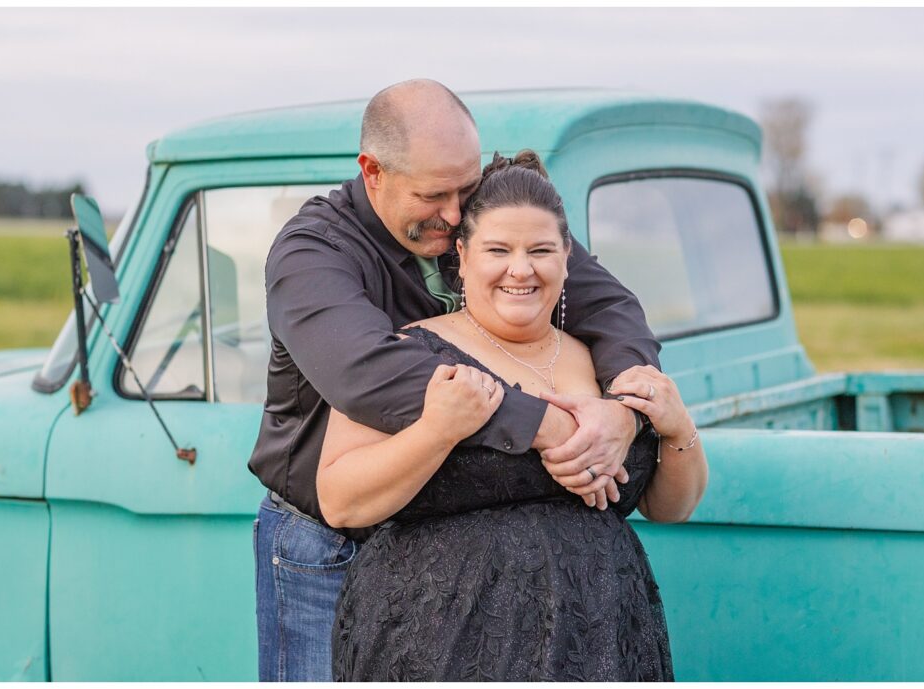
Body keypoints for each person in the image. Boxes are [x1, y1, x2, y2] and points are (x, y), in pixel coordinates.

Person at [250, 80, 662, 681]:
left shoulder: (486, 220)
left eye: (465, 189)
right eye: (433, 195)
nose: (453, 212)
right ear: (373, 172)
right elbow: (369, 373)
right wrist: (548, 423)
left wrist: (625, 410)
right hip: (329, 540)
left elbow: (611, 309)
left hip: (445, 551)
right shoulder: (312, 253)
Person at [320, 151, 707, 681]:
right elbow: (340, 501)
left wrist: (678, 428)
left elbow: (671, 509)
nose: (520, 269)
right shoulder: (413, 353)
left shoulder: (605, 362)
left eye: (541, 250)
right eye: (498, 249)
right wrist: (438, 430)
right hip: (445, 641)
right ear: (463, 254)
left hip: (602, 637)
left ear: (567, 257)